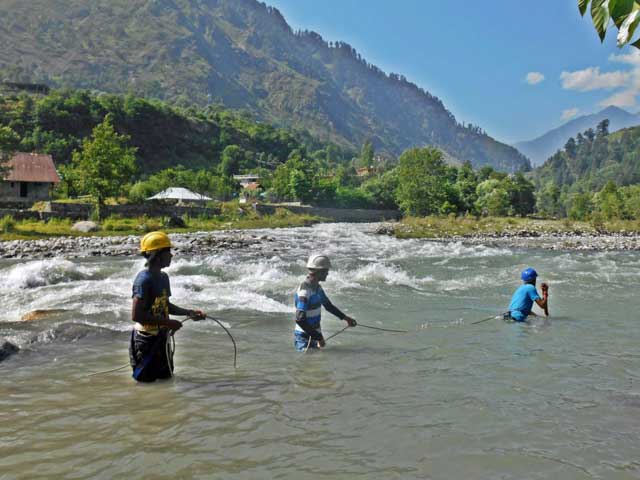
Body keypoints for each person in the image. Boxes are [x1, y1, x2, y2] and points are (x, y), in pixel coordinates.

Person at [129, 231, 205, 382]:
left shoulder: (163, 278)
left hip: (162, 337)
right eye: (168, 251)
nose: (171, 255)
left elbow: (166, 305)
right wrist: (168, 323)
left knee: (166, 379)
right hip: (146, 340)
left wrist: (188, 313)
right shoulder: (144, 280)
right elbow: (136, 316)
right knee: (146, 383)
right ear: (157, 255)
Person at [294, 253, 357, 351]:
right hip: (303, 336)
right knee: (307, 364)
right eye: (326, 271)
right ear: (320, 272)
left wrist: (346, 319)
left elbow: (328, 306)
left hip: (315, 333)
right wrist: (318, 337)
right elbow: (300, 319)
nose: (327, 273)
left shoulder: (317, 288)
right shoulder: (305, 291)